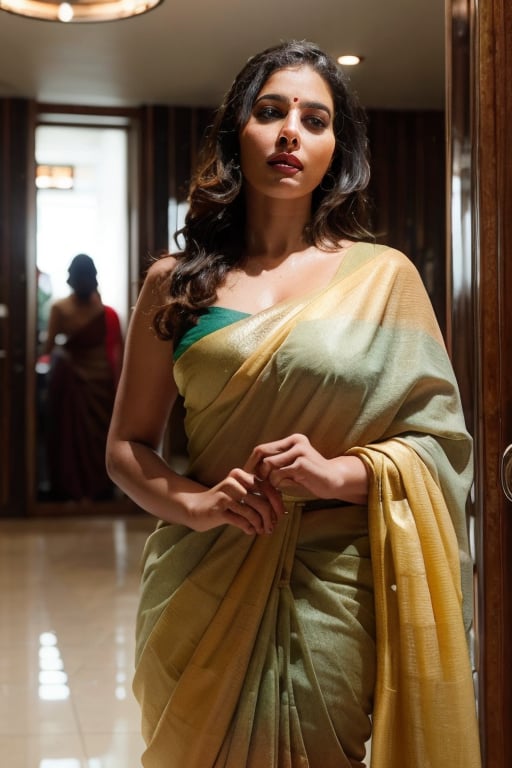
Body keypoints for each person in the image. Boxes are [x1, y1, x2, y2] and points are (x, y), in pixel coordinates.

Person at [106, 41, 481, 768]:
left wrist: (341, 475)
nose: (290, 133)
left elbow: (442, 444)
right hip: (201, 578)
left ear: (336, 150)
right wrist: (199, 504)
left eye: (315, 120)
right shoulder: (175, 283)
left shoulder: (383, 279)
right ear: (235, 135)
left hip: (332, 586)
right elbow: (127, 447)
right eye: (270, 112)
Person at [44, 253, 123, 501]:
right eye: (80, 276)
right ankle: (73, 487)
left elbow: (117, 349)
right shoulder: (60, 308)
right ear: (71, 278)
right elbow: (48, 348)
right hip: (75, 384)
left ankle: (100, 487)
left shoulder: (104, 311)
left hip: (102, 383)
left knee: (101, 437)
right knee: (73, 440)